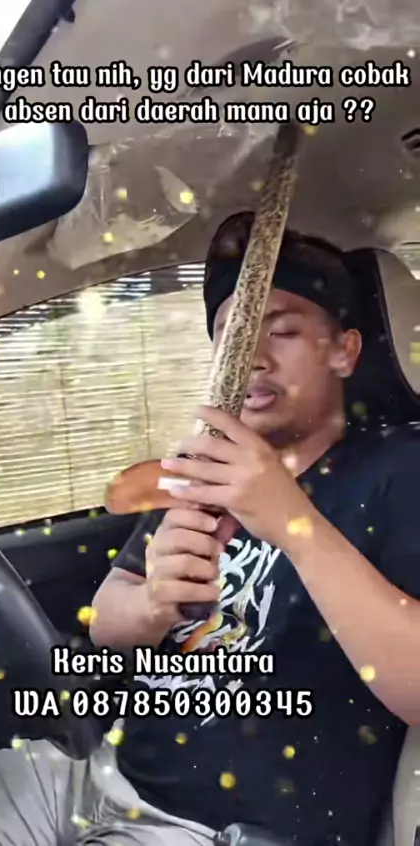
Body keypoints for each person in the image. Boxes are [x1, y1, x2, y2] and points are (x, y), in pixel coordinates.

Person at [87, 213, 420, 846]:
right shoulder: (204, 467)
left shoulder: (401, 472)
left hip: (213, 831)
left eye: (284, 331)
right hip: (97, 773)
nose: (255, 359)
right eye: (231, 336)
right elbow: (105, 619)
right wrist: (154, 604)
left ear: (345, 351)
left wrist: (292, 520)